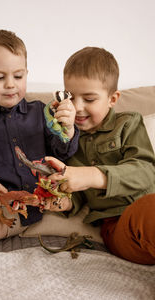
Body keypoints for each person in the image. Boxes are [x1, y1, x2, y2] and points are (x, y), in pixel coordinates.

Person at [0, 29, 79, 271]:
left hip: (17, 205)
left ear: (26, 75)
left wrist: (68, 130)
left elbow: (61, 155)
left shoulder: (42, 114)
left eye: (18, 76)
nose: (10, 84)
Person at [46, 46, 155, 265]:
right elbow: (76, 194)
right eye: (71, 97)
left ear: (112, 99)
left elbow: (146, 171)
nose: (78, 107)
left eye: (89, 99)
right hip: (119, 228)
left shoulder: (128, 123)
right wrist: (63, 202)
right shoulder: (65, 141)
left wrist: (92, 175)